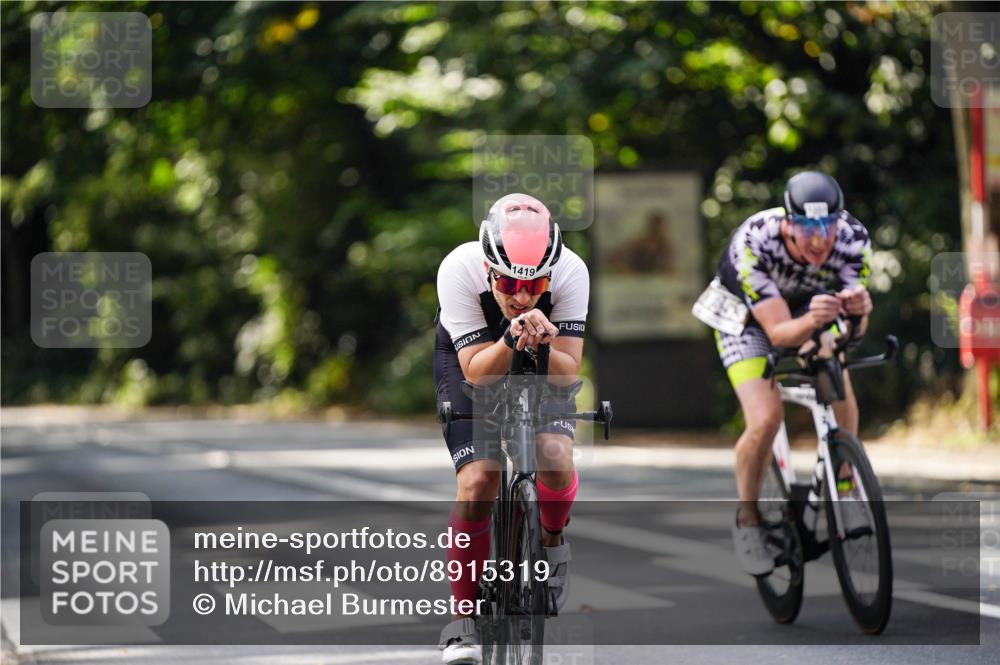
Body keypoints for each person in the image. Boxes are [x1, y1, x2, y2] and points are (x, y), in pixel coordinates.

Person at [434, 193, 589, 664]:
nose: (521, 295)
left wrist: (540, 346)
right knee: (480, 478)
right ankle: (463, 619)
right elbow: (478, 375)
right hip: (475, 355)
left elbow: (567, 373)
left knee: (556, 458)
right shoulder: (457, 269)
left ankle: (553, 541)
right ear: (487, 269)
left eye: (535, 283)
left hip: (545, 357)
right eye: (507, 282)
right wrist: (509, 336)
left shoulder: (571, 272)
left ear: (551, 272)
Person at [705, 171, 873, 576]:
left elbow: (855, 334)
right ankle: (748, 519)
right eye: (806, 228)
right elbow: (778, 333)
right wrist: (818, 319)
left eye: (827, 228)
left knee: (838, 385)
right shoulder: (755, 240)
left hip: (810, 310)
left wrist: (859, 314)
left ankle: (845, 486)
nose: (818, 241)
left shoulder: (853, 238)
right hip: (745, 320)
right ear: (787, 221)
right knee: (765, 419)